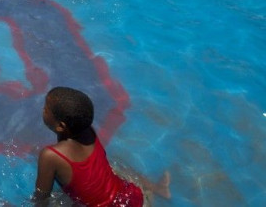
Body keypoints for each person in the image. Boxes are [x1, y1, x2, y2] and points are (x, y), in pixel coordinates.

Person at [33, 86, 170, 206]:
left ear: (61, 126)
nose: (42, 109)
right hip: (133, 198)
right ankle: (157, 188)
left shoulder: (50, 156)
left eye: (45, 109)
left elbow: (41, 198)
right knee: (112, 168)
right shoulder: (88, 131)